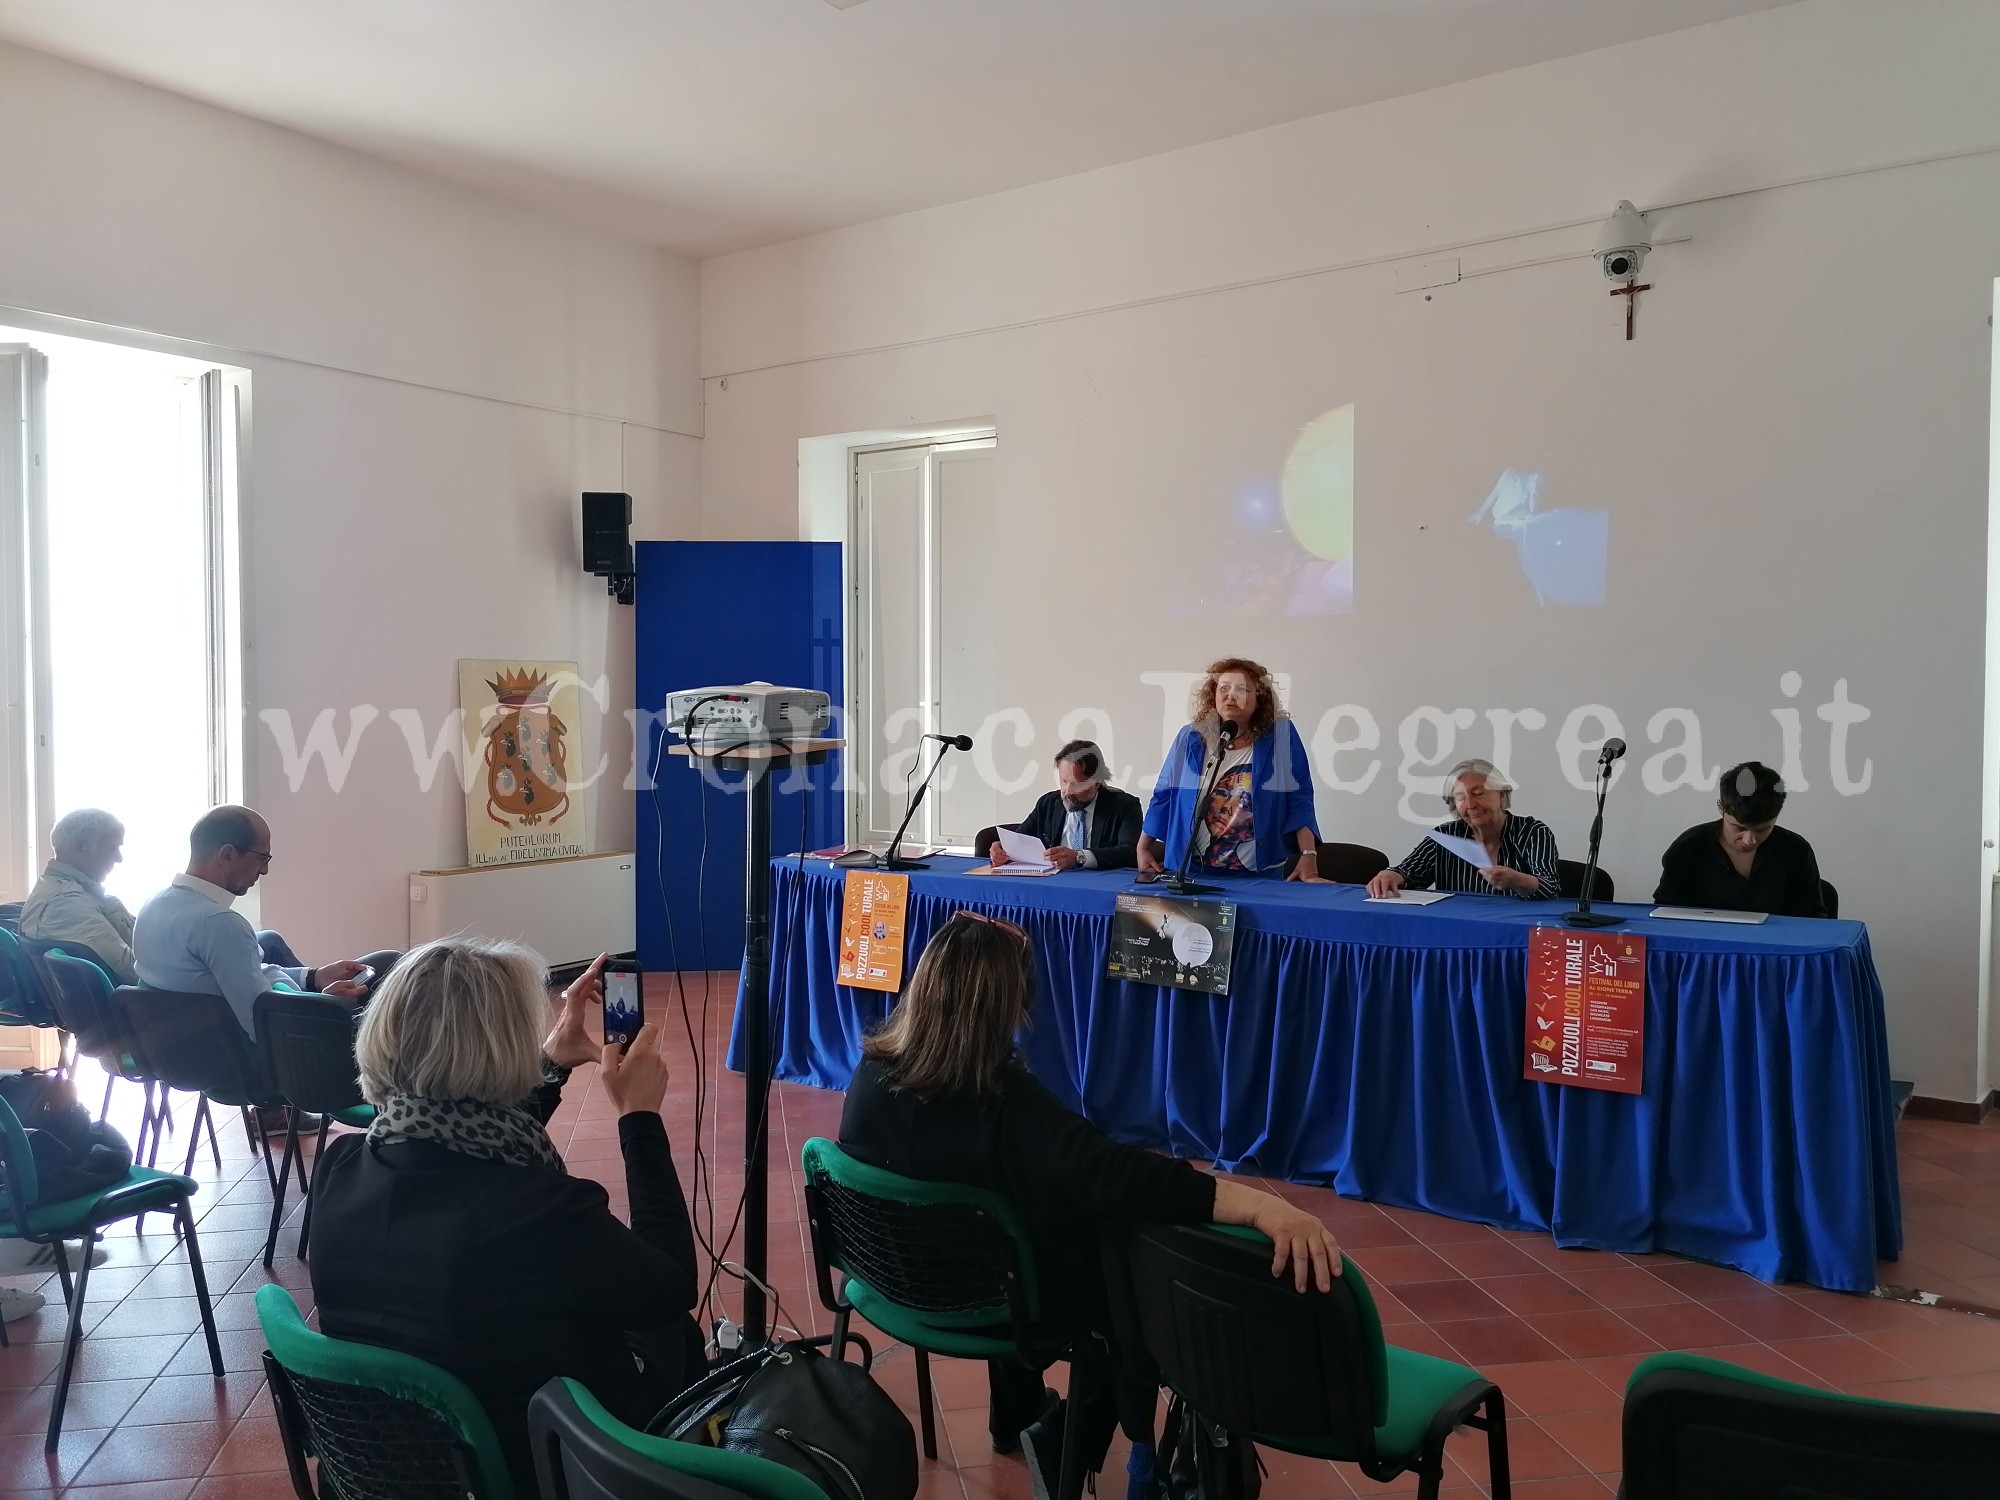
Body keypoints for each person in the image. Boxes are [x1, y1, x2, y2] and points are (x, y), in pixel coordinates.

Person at [840, 911, 1340, 1496]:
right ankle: (1070, 1440)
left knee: (997, 1220)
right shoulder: (1012, 1109)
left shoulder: (869, 1075)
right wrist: (1261, 1207)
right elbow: (1124, 1176)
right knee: (1122, 1268)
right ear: (1008, 1007)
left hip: (890, 1279)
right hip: (994, 1300)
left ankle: (1018, 1414)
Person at [310, 944, 703, 1494]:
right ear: (502, 1051)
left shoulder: (342, 1166)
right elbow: (669, 1286)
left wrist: (550, 1067)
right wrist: (639, 1118)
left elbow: (459, 1136)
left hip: (394, 1461)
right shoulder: (538, 1210)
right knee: (670, 1331)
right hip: (531, 1463)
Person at [132, 806, 398, 1036]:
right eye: (262, 858)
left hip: (191, 1053)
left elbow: (240, 977)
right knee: (394, 970)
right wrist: (323, 1004)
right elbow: (264, 1024)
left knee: (387, 964)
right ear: (227, 854)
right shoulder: (219, 923)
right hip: (271, 1062)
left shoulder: (153, 905)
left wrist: (313, 978)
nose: (265, 870)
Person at [1135, 658, 1327, 881]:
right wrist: (1143, 847)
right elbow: (1164, 794)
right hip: (1192, 868)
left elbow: (1299, 798)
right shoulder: (1190, 737)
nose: (1231, 695)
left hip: (1258, 872)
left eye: (1242, 689)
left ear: (1259, 699)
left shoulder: (1280, 735)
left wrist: (1308, 853)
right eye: (1223, 688)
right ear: (1213, 696)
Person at [1654, 761, 1828, 917]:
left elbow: (1811, 922)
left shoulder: (1796, 851)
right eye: (1738, 828)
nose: (1749, 840)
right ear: (1721, 808)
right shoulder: (1689, 848)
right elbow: (1666, 916)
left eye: (1762, 829)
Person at [1368, 758, 1561, 900]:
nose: (1470, 804)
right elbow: (1409, 873)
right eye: (1460, 798)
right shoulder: (1445, 836)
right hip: (1458, 930)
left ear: (1502, 795)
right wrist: (1391, 875)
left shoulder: (1533, 832)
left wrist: (1519, 881)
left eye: (1478, 794)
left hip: (1516, 933)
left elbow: (1551, 887)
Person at [20, 808, 138, 983]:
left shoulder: (62, 890)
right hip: (126, 1004)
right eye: (113, 848)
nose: (119, 858)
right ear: (81, 846)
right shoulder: (65, 903)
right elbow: (133, 970)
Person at [988, 740, 1144, 871]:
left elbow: (1130, 852)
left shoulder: (1124, 806)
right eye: (1064, 781)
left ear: (1097, 782)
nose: (1067, 791)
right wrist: (1003, 849)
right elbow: (1020, 839)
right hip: (1051, 886)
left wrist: (1079, 857)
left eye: (1077, 784)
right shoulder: (1049, 803)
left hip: (1098, 886)